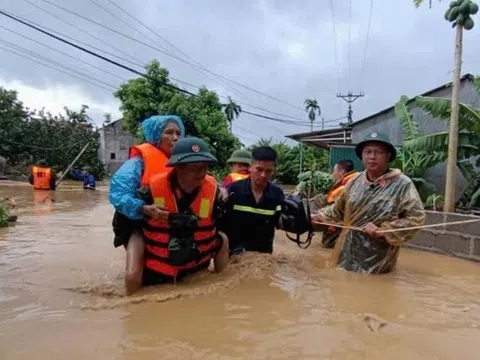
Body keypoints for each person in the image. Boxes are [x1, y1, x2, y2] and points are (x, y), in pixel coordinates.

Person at [312, 132, 426, 274]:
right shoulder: (353, 182)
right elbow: (337, 210)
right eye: (368, 152)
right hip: (347, 254)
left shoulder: (402, 184)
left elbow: (416, 218)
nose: (372, 156)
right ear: (362, 155)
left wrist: (385, 229)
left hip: (379, 260)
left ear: (388, 156)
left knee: (376, 292)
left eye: (378, 152)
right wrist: (318, 215)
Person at [135, 136, 229, 288]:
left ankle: (221, 285)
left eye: (204, 167)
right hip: (157, 273)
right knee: (135, 243)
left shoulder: (216, 194)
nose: (201, 172)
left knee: (223, 238)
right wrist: (142, 209)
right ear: (178, 167)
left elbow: (226, 223)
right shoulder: (149, 192)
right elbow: (123, 221)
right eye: (194, 167)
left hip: (196, 268)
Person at [109, 115, 185, 295]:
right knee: (134, 274)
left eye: (178, 133)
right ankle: (132, 306)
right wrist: (143, 208)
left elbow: (201, 181)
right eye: (169, 133)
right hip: (138, 222)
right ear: (156, 135)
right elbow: (118, 194)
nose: (175, 137)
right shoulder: (137, 163)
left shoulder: (183, 163)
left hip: (168, 223)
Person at [219, 146, 285, 255]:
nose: (263, 175)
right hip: (234, 257)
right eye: (259, 169)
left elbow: (280, 222)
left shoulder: (277, 194)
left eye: (268, 171)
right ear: (250, 167)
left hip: (263, 259)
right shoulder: (233, 190)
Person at [314, 159, 359, 248]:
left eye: (334, 171)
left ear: (341, 171)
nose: (332, 174)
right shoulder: (356, 181)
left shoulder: (343, 188)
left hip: (347, 225)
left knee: (328, 245)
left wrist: (329, 224)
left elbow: (335, 211)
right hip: (353, 222)